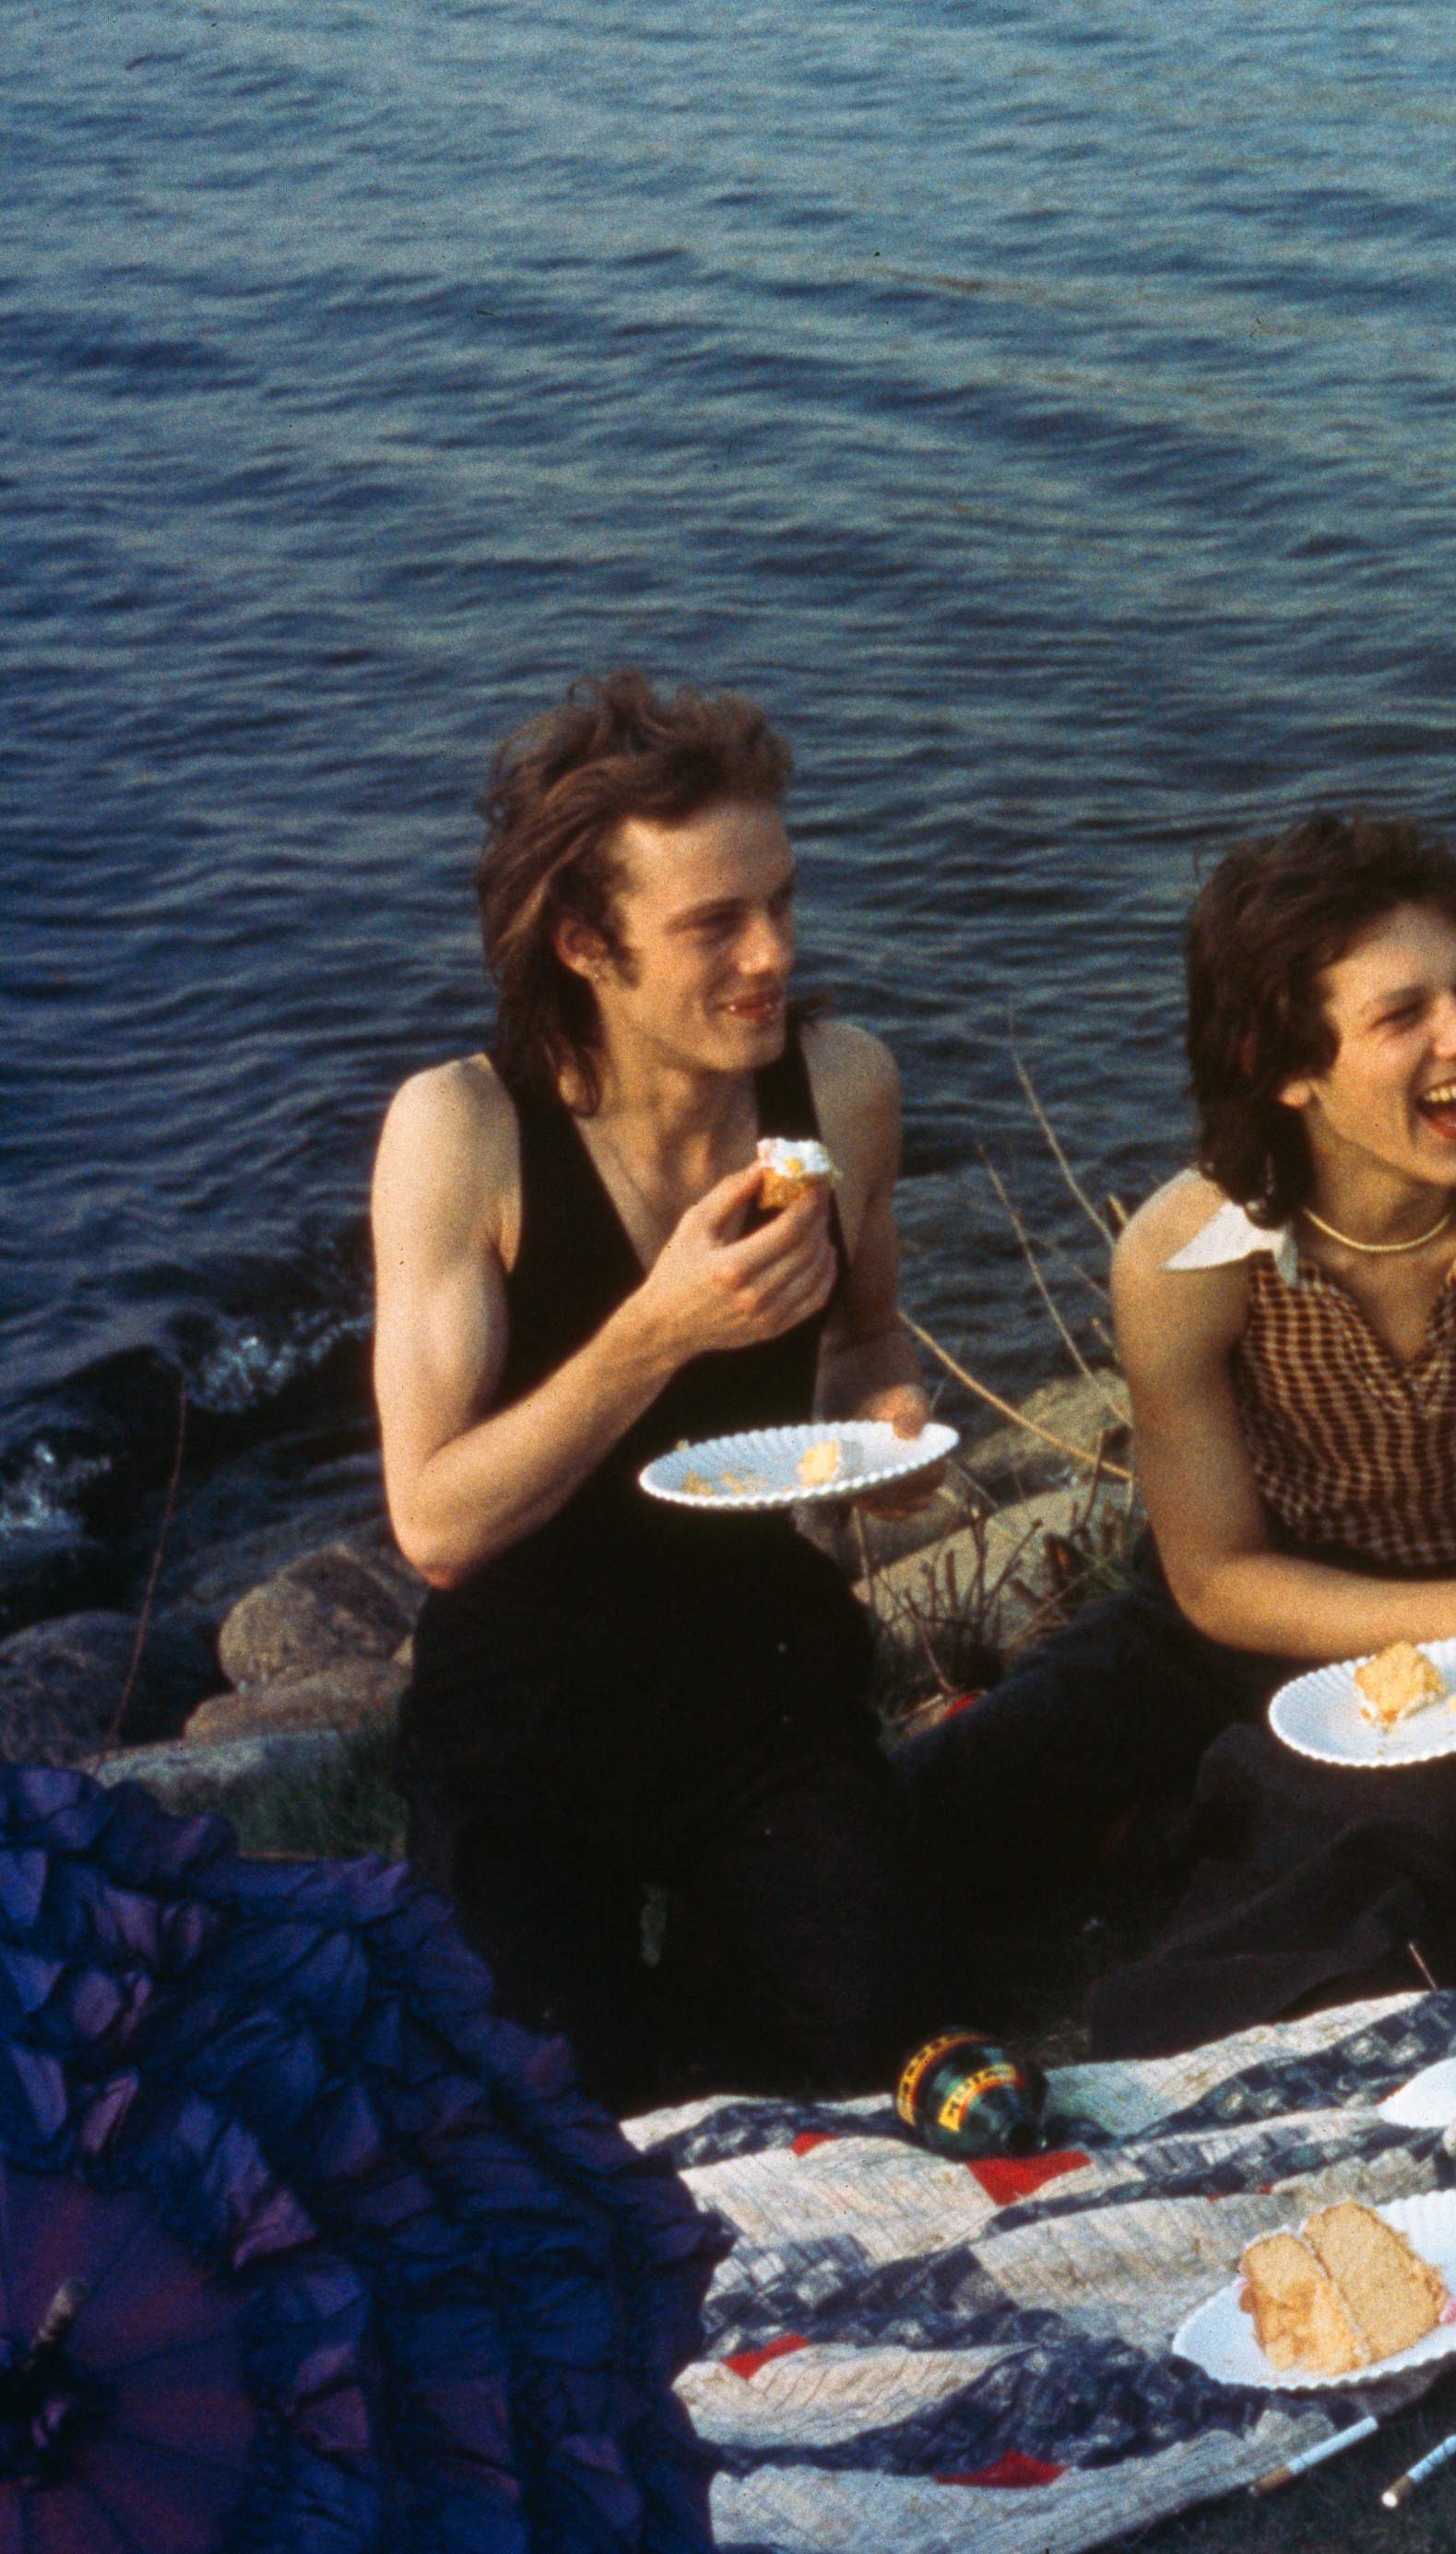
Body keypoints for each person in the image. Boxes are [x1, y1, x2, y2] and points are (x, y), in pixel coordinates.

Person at [896, 811, 1456, 2054]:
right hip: (1257, 1615)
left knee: (1358, 1831)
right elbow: (1216, 1575)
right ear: (1286, 1064)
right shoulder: (1182, 1254)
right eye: (1404, 1014)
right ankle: (1177, 1811)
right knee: (952, 1798)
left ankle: (1158, 2054)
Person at [373, 671, 934, 2109]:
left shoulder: (843, 1085)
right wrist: (657, 1328)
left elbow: (870, 1343)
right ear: (585, 945)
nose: (773, 955)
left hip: (757, 1676)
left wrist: (894, 1432)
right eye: (713, 927)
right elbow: (434, 1524)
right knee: (554, 2117)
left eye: (784, 903)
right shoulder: (465, 1133)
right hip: (525, 1721)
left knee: (864, 2066)